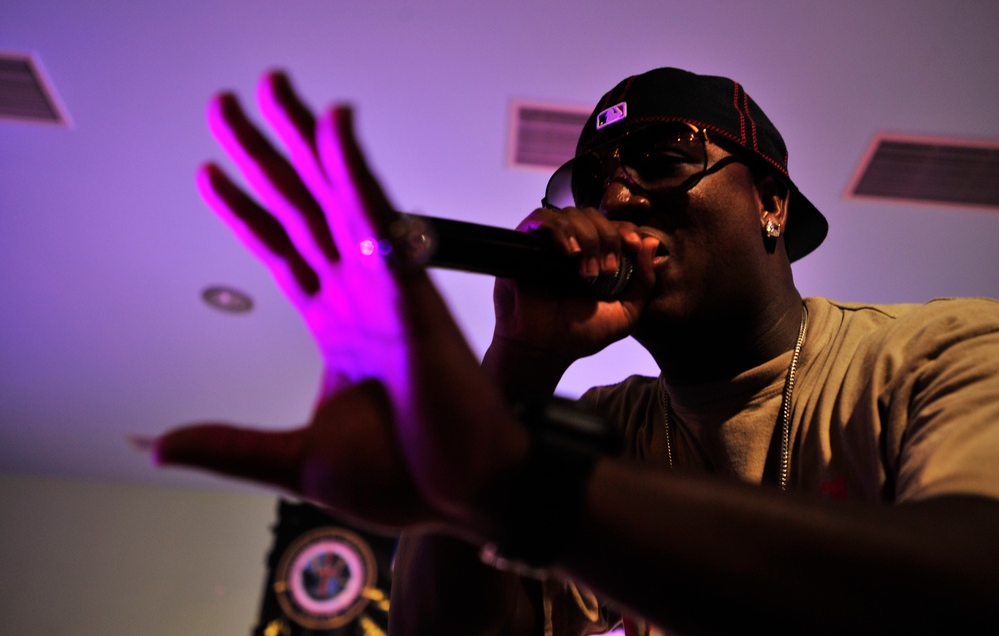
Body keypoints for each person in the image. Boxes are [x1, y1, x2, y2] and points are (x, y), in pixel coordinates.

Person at [154, 68, 999, 635]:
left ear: (770, 200)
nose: (617, 196)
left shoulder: (937, 352)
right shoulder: (598, 430)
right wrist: (515, 367)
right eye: (591, 183)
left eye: (662, 158)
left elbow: (967, 582)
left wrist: (511, 477)